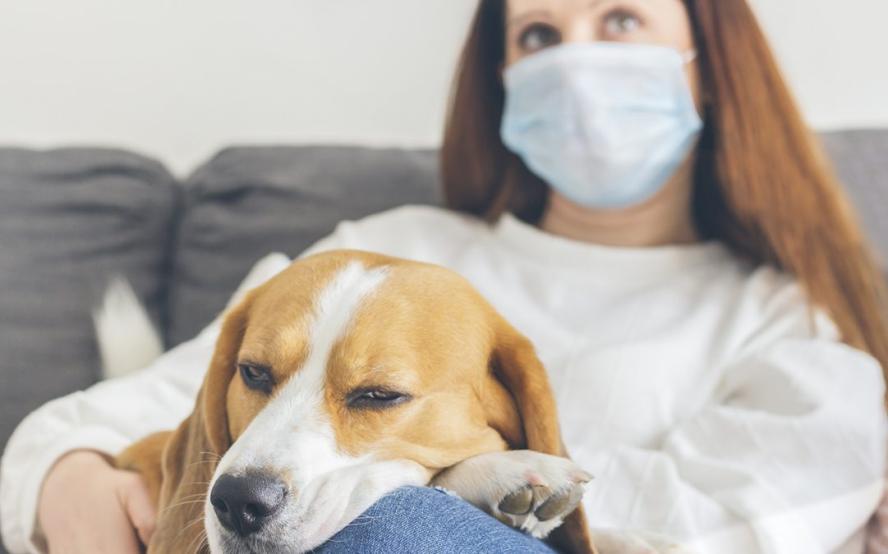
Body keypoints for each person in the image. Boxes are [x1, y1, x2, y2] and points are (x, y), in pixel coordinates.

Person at [3, 0, 888, 552]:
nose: (576, 62)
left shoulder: (791, 319)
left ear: (710, 60)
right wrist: (64, 477)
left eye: (621, 21)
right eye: (538, 34)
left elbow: (729, 530)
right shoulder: (372, 252)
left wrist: (448, 487)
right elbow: (102, 421)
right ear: (503, 82)